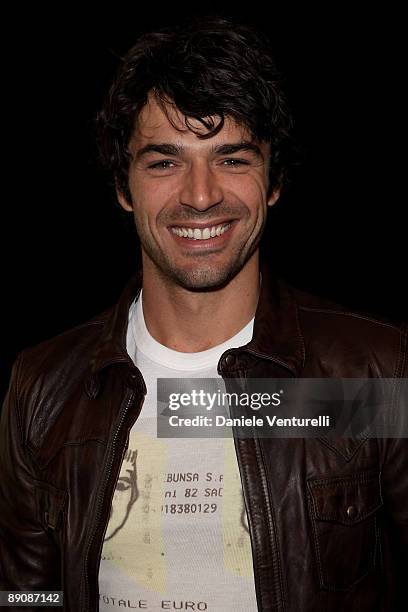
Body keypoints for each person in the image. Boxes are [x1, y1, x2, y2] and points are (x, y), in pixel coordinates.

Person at [0, 16, 407, 612]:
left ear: (273, 181)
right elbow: (24, 595)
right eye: (165, 162)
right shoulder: (44, 387)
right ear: (123, 185)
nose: (199, 194)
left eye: (233, 160)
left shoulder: (373, 371)